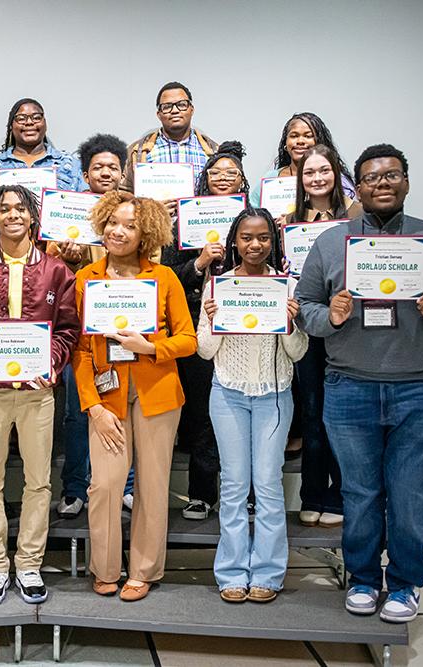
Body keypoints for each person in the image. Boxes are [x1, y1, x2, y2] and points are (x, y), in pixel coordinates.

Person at [295, 144, 423, 623]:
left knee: (411, 492)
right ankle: (361, 579)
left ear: (406, 181)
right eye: (372, 178)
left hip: (422, 389)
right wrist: (328, 317)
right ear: (358, 185)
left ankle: (403, 584)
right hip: (350, 386)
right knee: (359, 492)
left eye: (391, 175)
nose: (382, 184)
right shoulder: (332, 243)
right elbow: (305, 306)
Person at [0, 185, 79, 606]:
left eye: (19, 209)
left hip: (37, 392)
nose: (11, 215)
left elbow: (67, 331)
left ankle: (28, 563)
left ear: (32, 217)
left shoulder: (58, 272)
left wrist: (51, 365)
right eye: (3, 209)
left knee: (39, 481)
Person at [73, 191, 197, 602]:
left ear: (146, 234)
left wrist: (150, 347)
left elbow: (188, 340)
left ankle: (143, 570)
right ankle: (105, 567)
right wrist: (92, 407)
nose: (118, 231)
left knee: (152, 485)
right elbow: (79, 350)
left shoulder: (164, 278)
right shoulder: (86, 278)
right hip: (107, 398)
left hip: (157, 396)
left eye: (129, 225)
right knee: (105, 486)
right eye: (113, 223)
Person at [198, 207, 308, 604]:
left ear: (272, 242)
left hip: (274, 396)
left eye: (263, 237)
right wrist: (211, 320)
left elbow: (296, 353)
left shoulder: (287, 287)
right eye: (247, 237)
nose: (255, 244)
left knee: (267, 485)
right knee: (232, 486)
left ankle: (267, 572)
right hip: (227, 394)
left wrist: (291, 324)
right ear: (234, 242)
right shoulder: (218, 287)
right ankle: (230, 572)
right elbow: (205, 350)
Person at [161, 141, 250, 522]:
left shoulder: (256, 221)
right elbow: (170, 278)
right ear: (204, 178)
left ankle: (244, 493)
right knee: (202, 411)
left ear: (243, 179)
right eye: (216, 172)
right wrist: (198, 262)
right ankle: (200, 493)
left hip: (249, 329)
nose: (224, 178)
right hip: (199, 324)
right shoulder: (185, 220)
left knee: (243, 411)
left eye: (232, 173)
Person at [51, 133, 130, 520]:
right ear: (85, 173)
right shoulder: (68, 213)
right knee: (77, 409)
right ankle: (74, 487)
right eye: (98, 166)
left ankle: (128, 486)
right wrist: (69, 259)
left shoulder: (135, 213)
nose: (105, 172)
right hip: (79, 329)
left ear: (123, 171)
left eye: (112, 166)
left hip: (125, 328)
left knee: (123, 406)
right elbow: (51, 271)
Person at [284, 144, 363, 529]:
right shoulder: (289, 220)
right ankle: (312, 493)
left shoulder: (355, 215)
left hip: (350, 325)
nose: (317, 178)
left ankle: (338, 494)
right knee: (313, 411)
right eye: (309, 172)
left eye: (323, 170)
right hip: (309, 323)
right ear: (300, 179)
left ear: (336, 174)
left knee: (342, 415)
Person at [120, 81, 219, 200]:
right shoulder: (137, 151)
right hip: (154, 218)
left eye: (182, 104)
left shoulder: (214, 151)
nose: (175, 110)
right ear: (159, 114)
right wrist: (150, 208)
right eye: (167, 107)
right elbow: (124, 192)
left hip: (199, 217)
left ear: (191, 109)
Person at [249, 112, 354, 210]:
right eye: (294, 136)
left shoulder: (337, 178)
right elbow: (252, 213)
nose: (300, 141)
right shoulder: (271, 178)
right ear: (285, 143)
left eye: (308, 136)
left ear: (319, 142)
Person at [0, 98, 85, 192]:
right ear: (11, 126)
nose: (29, 122)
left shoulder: (70, 163)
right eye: (21, 118)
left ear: (45, 123)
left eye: (36, 117)